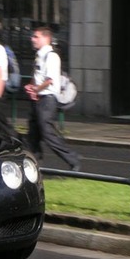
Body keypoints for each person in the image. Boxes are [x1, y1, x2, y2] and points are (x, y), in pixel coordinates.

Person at [24, 26, 81, 171]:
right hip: (38, 99)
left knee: (47, 133)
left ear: (46, 38)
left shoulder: (51, 56)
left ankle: (72, 158)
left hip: (47, 100)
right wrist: (31, 87)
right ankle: (35, 164)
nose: (32, 39)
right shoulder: (39, 55)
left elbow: (50, 80)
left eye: (36, 36)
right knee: (33, 133)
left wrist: (36, 89)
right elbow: (37, 76)